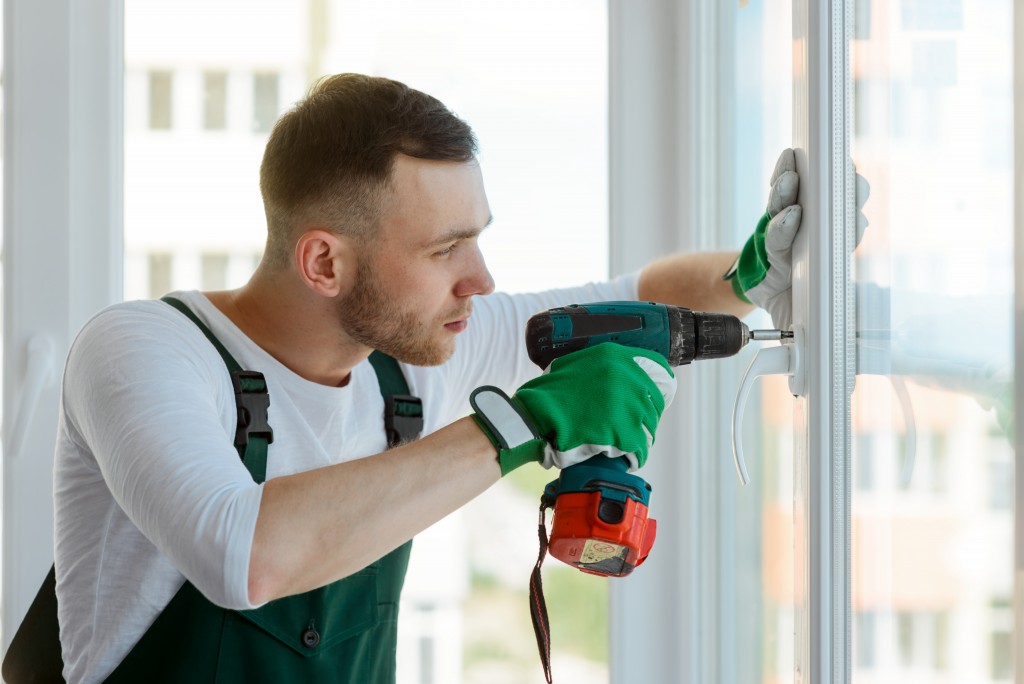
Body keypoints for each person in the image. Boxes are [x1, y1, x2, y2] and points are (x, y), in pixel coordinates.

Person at [51, 73, 801, 683]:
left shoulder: (410, 363)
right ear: (324, 263)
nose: (480, 280)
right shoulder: (142, 351)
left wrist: (751, 272)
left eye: (477, 239)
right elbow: (243, 557)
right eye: (447, 249)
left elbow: (636, 299)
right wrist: (517, 428)